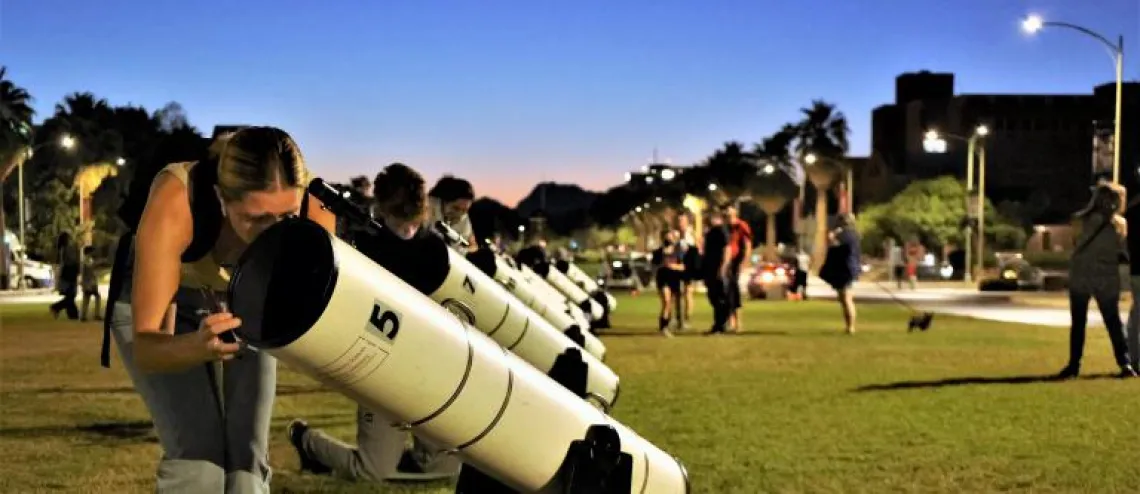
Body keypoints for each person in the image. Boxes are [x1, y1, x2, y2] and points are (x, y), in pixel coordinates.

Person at [112, 126, 337, 493]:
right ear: (221, 198)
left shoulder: (315, 211)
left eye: (286, 217)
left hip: (243, 301)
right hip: (164, 310)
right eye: (257, 218)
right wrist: (195, 347)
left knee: (247, 460)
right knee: (199, 461)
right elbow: (149, 349)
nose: (272, 234)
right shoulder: (178, 200)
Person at [288, 163, 462, 482]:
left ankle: (412, 457)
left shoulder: (435, 251)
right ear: (382, 209)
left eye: (412, 222)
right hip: (380, 365)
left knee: (446, 467)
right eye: (399, 222)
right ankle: (306, 441)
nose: (407, 231)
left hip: (426, 366)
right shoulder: (364, 248)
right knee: (373, 470)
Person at [1059, 181, 1137, 379]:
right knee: (1113, 322)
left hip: (1081, 274)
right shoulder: (1120, 225)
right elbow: (1122, 250)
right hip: (1106, 276)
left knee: (1078, 322)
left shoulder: (1080, 220)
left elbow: (1074, 243)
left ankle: (1074, 364)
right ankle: (1125, 363)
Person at [818, 214, 862, 334]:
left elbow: (835, 245)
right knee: (844, 298)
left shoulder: (845, 235)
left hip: (845, 269)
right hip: (849, 268)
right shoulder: (854, 234)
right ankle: (849, 326)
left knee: (846, 298)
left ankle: (850, 327)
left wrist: (832, 236)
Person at [702, 208, 733, 334]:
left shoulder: (721, 231)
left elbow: (727, 249)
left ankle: (721, 324)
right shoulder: (710, 232)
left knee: (720, 297)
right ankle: (718, 323)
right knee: (713, 296)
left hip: (718, 268)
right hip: (710, 268)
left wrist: (723, 267)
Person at [427, 175, 478, 252]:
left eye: (464, 210)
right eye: (455, 208)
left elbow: (472, 245)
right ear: (444, 201)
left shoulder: (464, 219)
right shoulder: (426, 207)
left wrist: (468, 248)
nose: (459, 214)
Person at [651, 230, 686, 335]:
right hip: (663, 279)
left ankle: (667, 322)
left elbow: (683, 266)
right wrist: (661, 266)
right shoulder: (658, 252)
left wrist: (674, 266)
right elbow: (653, 267)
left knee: (670, 304)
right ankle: (664, 327)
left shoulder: (678, 252)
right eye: (667, 237)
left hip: (674, 279)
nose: (669, 239)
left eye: (671, 237)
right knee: (666, 301)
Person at [725, 204, 753, 332]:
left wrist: (745, 262)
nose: (729, 217)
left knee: (734, 291)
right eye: (727, 214)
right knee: (726, 291)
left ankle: (738, 323)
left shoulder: (741, 226)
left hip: (735, 262)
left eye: (730, 214)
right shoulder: (725, 228)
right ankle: (730, 321)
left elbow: (747, 245)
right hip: (725, 263)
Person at [49, 232, 80, 320]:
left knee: (70, 296)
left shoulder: (63, 249)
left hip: (68, 273)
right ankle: (56, 307)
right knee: (71, 295)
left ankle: (72, 314)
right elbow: (71, 260)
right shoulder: (67, 249)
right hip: (69, 273)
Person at [677, 213, 700, 327]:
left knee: (687, 292)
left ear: (687, 222)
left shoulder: (691, 234)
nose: (680, 223)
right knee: (676, 293)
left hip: (688, 267)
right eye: (679, 220)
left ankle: (687, 318)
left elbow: (698, 247)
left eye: (682, 220)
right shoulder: (675, 234)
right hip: (676, 266)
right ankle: (677, 318)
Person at [80, 245, 102, 321]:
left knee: (87, 298)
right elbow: (85, 273)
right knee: (92, 297)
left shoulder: (89, 260)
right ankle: (95, 314)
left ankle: (84, 315)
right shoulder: (86, 261)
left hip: (91, 282)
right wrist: (85, 284)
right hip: (89, 282)